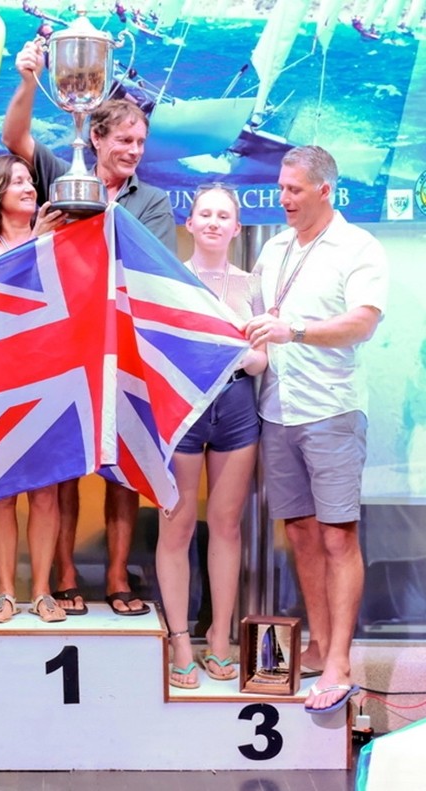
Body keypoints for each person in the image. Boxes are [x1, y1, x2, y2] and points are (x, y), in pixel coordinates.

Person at [1, 40, 176, 617]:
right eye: (124, 140)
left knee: (124, 464)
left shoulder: (154, 200)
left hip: (124, 347)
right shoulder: (63, 171)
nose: (133, 151)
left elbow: (152, 269)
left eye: (140, 143)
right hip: (66, 343)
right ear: (95, 139)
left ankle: (120, 576)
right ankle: (66, 572)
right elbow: (15, 139)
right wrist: (28, 81)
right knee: (68, 463)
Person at [244, 146, 389, 714]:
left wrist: (296, 331)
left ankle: (340, 663)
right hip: (276, 409)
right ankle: (320, 644)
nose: (283, 199)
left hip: (331, 411)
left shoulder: (359, 247)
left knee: (337, 536)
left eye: (295, 190)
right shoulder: (274, 249)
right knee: (302, 533)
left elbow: (363, 323)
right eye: (281, 188)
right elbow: (251, 317)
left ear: (325, 190)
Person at [156, 185, 267, 689]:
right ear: (190, 222)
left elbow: (261, 360)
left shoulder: (253, 286)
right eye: (206, 214)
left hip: (237, 404)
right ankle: (180, 641)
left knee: (225, 526)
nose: (214, 222)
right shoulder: (169, 281)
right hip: (183, 406)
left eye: (224, 215)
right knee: (177, 527)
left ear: (237, 228)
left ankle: (220, 638)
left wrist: (238, 353)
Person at [0, 154, 67, 624]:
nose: (29, 187)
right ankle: (5, 591)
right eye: (17, 181)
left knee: (46, 492)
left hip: (51, 377)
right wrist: (37, 240)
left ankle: (42, 590)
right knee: (2, 493)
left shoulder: (56, 239)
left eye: (30, 180)